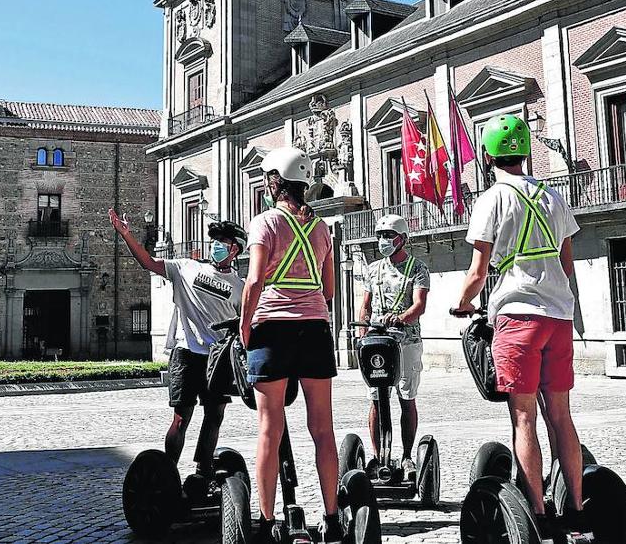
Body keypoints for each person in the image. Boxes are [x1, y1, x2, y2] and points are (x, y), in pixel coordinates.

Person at [454, 114, 585, 541]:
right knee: (560, 415)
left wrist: (462, 303)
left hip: (518, 316)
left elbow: (478, 272)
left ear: (487, 155)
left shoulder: (491, 199)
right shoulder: (554, 196)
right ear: (526, 151)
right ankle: (578, 509)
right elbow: (567, 265)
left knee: (524, 417)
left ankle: (538, 512)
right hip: (558, 317)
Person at [239, 146, 343, 544]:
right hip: (315, 327)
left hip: (273, 328)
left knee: (270, 429)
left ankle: (267, 522)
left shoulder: (264, 222)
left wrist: (246, 326)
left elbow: (254, 281)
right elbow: (329, 289)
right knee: (323, 429)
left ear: (274, 182)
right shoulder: (322, 229)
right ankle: (332, 517)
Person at [110, 209, 245, 486]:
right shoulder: (186, 267)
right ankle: (168, 474)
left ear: (235, 250)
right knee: (182, 417)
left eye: (223, 242)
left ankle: (203, 472)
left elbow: (244, 324)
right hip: (186, 353)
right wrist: (126, 234)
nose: (216, 246)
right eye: (215, 241)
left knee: (215, 415)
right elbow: (148, 262)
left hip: (218, 358)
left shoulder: (240, 287)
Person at [356, 213, 430, 475]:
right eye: (380, 236)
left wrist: (400, 318)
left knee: (406, 397)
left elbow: (419, 305)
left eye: (389, 235)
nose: (383, 240)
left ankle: (408, 456)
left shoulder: (417, 268)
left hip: (406, 341)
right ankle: (379, 457)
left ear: (403, 239)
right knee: (377, 398)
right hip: (377, 341)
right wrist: (362, 330)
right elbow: (365, 305)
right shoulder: (373, 268)